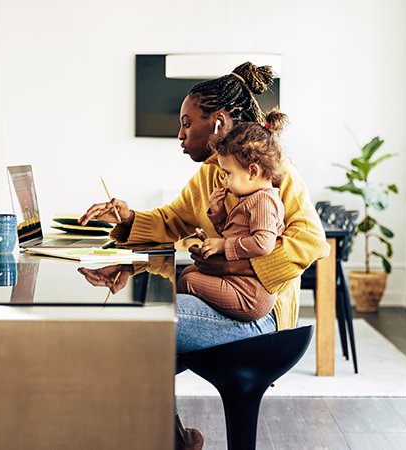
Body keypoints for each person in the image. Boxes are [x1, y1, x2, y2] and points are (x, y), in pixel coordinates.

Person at [79, 62, 329, 450]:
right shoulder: (212, 175)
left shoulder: (273, 174)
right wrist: (127, 218)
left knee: (138, 330)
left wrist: (232, 261)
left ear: (217, 124)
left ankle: (176, 441)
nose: (179, 135)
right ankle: (177, 440)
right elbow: (172, 219)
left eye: (185, 123)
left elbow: (313, 240)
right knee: (133, 334)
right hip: (222, 303)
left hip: (260, 318)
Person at [177, 109, 289, 322]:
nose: (225, 180)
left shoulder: (264, 201)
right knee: (189, 272)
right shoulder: (250, 199)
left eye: (228, 173)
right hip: (238, 284)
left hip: (249, 295)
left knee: (187, 282)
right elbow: (234, 233)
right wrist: (218, 212)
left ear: (253, 172)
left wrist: (221, 246)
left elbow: (263, 244)